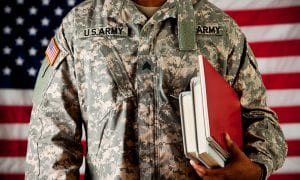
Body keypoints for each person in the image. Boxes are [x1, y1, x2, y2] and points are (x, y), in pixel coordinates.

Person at [25, 0, 287, 179]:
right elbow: (51, 133)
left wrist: (257, 168)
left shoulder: (220, 28)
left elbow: (258, 118)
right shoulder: (80, 27)